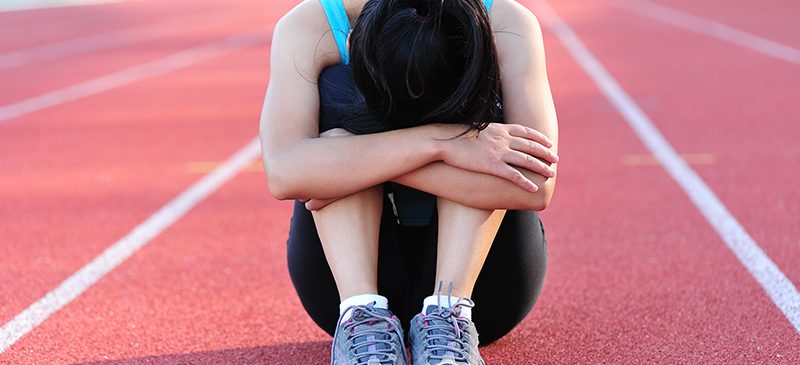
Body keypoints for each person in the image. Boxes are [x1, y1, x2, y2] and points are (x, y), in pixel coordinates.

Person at [259, 0, 559, 363]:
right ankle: (363, 316)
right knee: (337, 89)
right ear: (354, 40)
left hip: (486, 293)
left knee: (486, 104)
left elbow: (536, 183)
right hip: (340, 289)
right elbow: (283, 171)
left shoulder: (507, 22)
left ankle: (449, 316)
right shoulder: (312, 25)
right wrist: (443, 144)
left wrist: (349, 153)